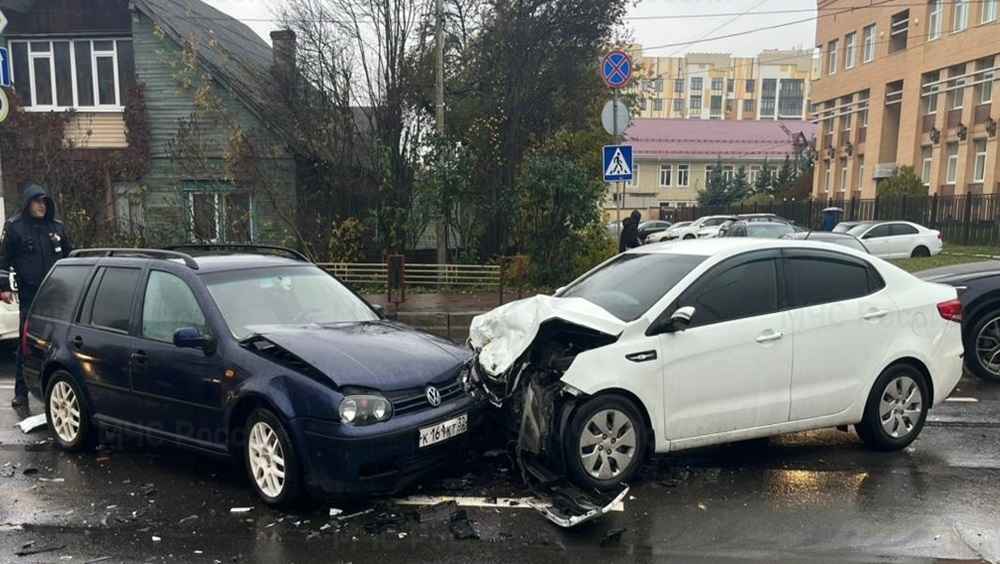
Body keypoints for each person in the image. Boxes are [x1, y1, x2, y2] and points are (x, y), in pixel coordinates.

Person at [0, 184, 73, 408]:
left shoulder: (57, 228)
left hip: (56, 296)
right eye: (37, 202)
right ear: (27, 203)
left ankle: (50, 392)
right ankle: (21, 392)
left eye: (44, 202)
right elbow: (3, 260)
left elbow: (71, 259)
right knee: (26, 344)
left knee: (59, 345)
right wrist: (3, 287)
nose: (41, 206)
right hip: (31, 296)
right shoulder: (15, 228)